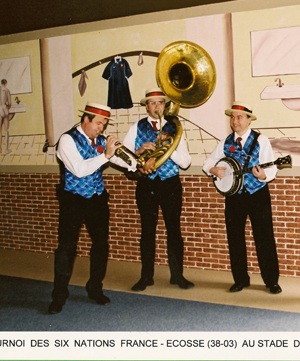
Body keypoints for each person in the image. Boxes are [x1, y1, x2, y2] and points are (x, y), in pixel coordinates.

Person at [49, 102, 137, 314]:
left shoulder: (99, 140)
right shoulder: (66, 140)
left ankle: (94, 287)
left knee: (100, 245)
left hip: (97, 198)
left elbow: (120, 159)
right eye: (98, 123)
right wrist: (106, 155)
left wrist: (136, 162)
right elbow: (79, 170)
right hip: (73, 199)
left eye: (104, 124)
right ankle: (59, 295)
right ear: (85, 119)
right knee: (66, 248)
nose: (101, 128)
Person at [203, 101, 281, 294]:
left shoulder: (261, 140)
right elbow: (207, 163)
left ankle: (271, 281)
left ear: (248, 119)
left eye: (239, 117)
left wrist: (263, 175)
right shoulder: (225, 142)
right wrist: (213, 169)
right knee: (235, 238)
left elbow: (272, 168)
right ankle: (240, 279)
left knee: (264, 238)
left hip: (257, 194)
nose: (234, 120)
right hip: (234, 197)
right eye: (232, 117)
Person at [122, 87, 193, 291]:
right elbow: (124, 159)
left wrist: (168, 150)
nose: (157, 107)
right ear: (146, 107)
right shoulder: (136, 127)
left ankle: (177, 276)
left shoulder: (175, 127)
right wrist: (138, 151)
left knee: (174, 230)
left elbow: (186, 162)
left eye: (160, 103)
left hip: (170, 183)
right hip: (147, 184)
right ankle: (146, 277)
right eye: (152, 103)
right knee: (147, 231)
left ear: (165, 105)